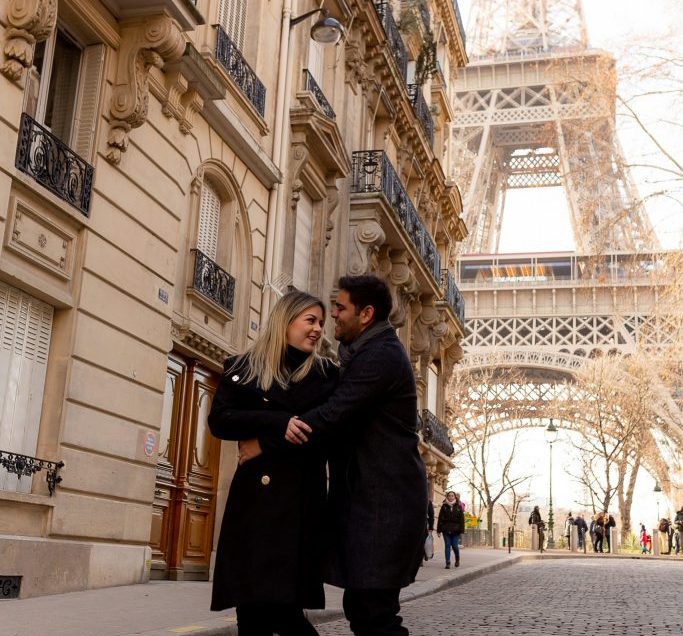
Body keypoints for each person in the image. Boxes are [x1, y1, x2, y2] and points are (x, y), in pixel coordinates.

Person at [278, 275, 428, 636]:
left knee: (373, 612)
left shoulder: (381, 356)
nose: (334, 316)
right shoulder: (365, 353)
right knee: (364, 608)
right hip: (372, 503)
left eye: (341, 308)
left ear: (366, 314)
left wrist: (269, 436)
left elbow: (333, 415)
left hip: (384, 506)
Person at [207, 291, 339, 635]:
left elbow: (323, 429)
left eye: (321, 323)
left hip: (299, 504)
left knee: (284, 611)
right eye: (310, 320)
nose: (317, 330)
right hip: (253, 507)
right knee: (249, 611)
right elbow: (219, 421)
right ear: (285, 321)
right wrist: (276, 423)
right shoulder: (243, 367)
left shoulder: (327, 375)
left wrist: (264, 443)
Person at [437, 491, 465, 568]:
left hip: (456, 530)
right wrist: (439, 530)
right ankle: (448, 562)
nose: (450, 497)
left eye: (452, 496)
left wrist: (462, 531)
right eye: (449, 496)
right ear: (447, 497)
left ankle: (457, 559)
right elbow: (440, 519)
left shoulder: (458, 506)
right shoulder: (444, 506)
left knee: (455, 546)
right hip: (446, 529)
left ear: (455, 497)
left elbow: (462, 520)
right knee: (447, 545)